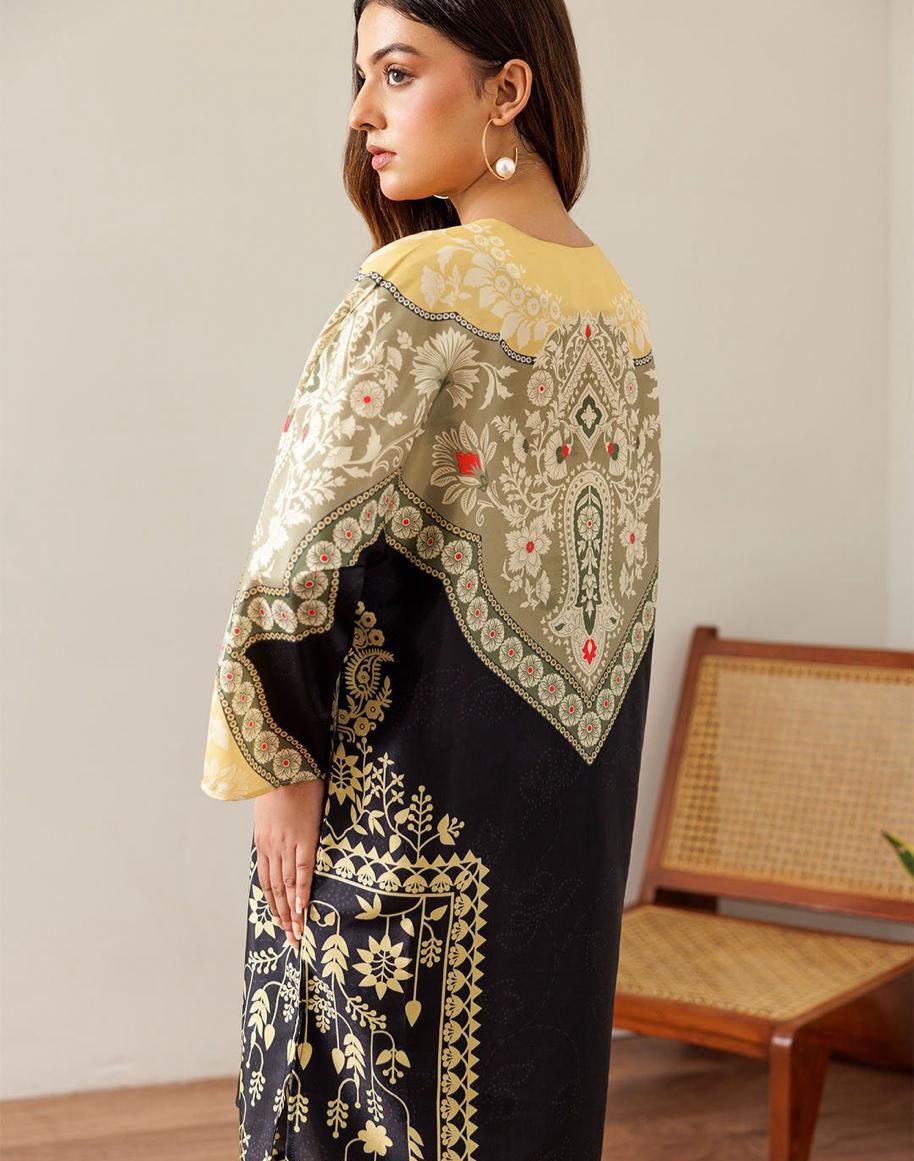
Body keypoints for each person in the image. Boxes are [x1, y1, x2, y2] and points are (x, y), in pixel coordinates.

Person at [201, 1, 661, 1158]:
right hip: (560, 831)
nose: (363, 113)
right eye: (361, 77)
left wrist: (274, 763)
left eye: (397, 74)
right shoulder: (612, 302)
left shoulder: (417, 283)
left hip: (400, 828)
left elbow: (296, 549)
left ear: (507, 90)